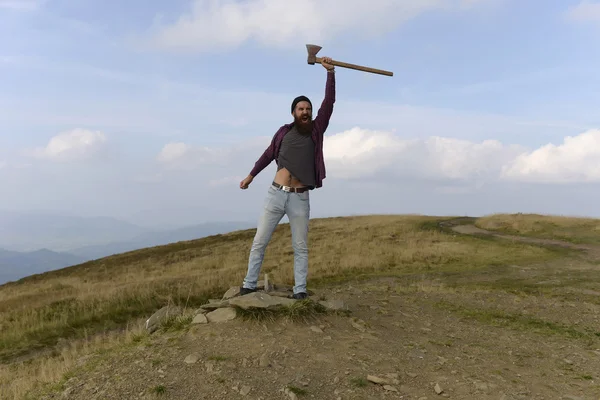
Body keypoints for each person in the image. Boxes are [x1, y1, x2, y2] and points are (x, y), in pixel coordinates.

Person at [238, 56, 336, 299]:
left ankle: (300, 290)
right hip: (275, 194)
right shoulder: (283, 132)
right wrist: (250, 176)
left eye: (308, 109)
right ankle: (249, 285)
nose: (305, 112)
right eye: (301, 109)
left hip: (300, 198)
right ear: (293, 112)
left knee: (300, 247)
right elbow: (268, 154)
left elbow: (330, 102)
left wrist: (330, 73)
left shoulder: (316, 129)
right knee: (259, 242)